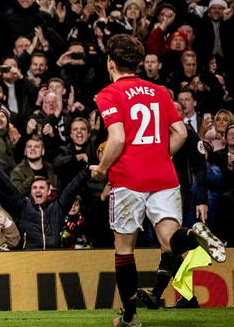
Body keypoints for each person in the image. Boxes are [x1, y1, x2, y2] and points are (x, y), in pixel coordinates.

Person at [91, 34, 226, 327]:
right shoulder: (158, 91)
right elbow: (179, 133)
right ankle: (194, 236)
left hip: (128, 180)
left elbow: (116, 139)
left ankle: (129, 318)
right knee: (170, 240)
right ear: (138, 63)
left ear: (111, 62)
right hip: (164, 176)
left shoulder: (108, 94)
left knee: (125, 249)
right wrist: (156, 156)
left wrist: (102, 169)